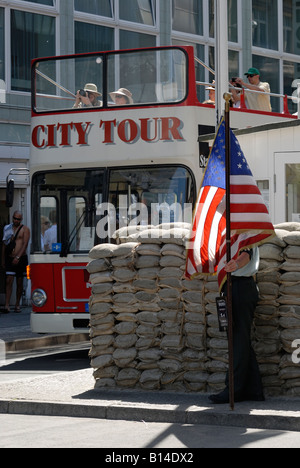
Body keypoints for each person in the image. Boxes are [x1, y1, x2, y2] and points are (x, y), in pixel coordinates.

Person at [209, 247, 265, 404]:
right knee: (241, 340)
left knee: (237, 340)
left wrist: (236, 264)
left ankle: (233, 390)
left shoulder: (244, 232)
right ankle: (254, 390)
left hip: (239, 287)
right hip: (237, 286)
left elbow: (246, 255)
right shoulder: (236, 233)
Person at [1, 211, 30, 314]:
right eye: (14, 218)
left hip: (21, 258)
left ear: (21, 219)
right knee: (8, 281)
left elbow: (25, 244)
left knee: (19, 282)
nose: (16, 220)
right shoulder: (8, 228)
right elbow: (4, 244)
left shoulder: (25, 229)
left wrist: (18, 257)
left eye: (18, 219)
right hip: (9, 257)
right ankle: (7, 305)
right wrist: (3, 259)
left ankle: (17, 304)